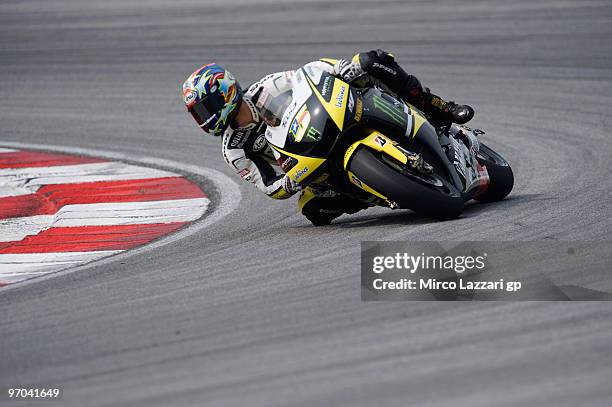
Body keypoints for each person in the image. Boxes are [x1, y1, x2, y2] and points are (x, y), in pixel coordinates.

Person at [182, 50, 475, 225]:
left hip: (328, 121)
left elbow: (306, 76)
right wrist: (288, 182)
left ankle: (438, 106)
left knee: (371, 61)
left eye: (206, 108)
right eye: (198, 113)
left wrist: (338, 68)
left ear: (226, 91)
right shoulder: (234, 150)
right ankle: (381, 192)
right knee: (312, 210)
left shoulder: (266, 87)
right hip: (311, 165)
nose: (205, 118)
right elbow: (268, 186)